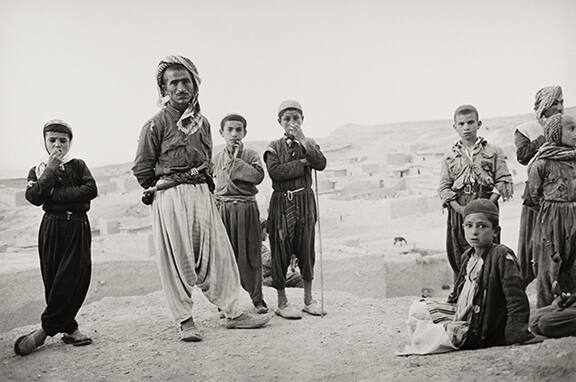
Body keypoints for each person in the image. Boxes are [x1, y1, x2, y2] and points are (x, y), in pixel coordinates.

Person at [132, 55, 271, 342]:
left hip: (201, 194)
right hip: (170, 197)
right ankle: (185, 320)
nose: (180, 88)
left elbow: (206, 162)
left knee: (219, 254)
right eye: (173, 83)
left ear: (195, 85)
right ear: (164, 89)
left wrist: (198, 186)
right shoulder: (155, 124)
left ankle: (233, 312)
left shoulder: (203, 123)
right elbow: (142, 169)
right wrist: (165, 188)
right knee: (178, 260)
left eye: (186, 81)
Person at [398, 199, 532, 355]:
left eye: (482, 226)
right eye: (469, 226)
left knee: (439, 333)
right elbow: (459, 293)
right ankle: (437, 332)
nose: (474, 232)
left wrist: (515, 334)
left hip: (480, 326)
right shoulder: (467, 256)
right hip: (461, 314)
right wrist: (445, 311)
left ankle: (438, 335)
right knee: (418, 309)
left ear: (495, 231)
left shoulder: (501, 255)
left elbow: (516, 299)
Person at [14, 120, 97, 356]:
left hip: (78, 227)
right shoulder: (39, 170)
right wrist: (50, 171)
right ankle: (70, 328)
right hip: (52, 228)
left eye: (63, 140)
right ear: (45, 142)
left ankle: (43, 332)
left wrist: (53, 195)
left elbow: (90, 191)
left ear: (70, 142)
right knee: (54, 279)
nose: (58, 145)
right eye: (52, 140)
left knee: (75, 278)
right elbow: (34, 196)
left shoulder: (78, 165)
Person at [263, 100, 327, 319]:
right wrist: (302, 163)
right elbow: (276, 172)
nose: (292, 122)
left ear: (302, 120)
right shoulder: (273, 146)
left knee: (306, 248)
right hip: (281, 203)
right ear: (279, 122)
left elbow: (320, 163)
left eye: (296, 118)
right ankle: (282, 302)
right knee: (280, 250)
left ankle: (309, 300)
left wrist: (304, 143)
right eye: (287, 118)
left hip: (305, 202)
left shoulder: (309, 143)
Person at [438, 105, 513, 278]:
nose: (466, 127)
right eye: (461, 123)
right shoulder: (449, 156)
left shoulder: (493, 151)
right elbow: (444, 187)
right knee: (459, 255)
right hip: (460, 209)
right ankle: (462, 296)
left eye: (470, 122)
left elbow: (503, 180)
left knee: (488, 254)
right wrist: (460, 209)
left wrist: (488, 204)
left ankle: (487, 296)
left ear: (478, 124)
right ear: (455, 127)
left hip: (486, 206)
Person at [213, 113, 268, 314]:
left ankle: (257, 298)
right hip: (224, 211)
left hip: (246, 209)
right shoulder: (216, 159)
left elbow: (258, 177)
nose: (234, 134)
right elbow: (211, 185)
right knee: (224, 257)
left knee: (252, 254)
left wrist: (236, 162)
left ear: (245, 132)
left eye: (239, 130)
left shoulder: (252, 155)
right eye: (230, 130)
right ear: (222, 133)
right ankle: (225, 301)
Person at [514, 86, 564, 289]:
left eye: (562, 102)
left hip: (561, 199)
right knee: (530, 249)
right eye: (555, 103)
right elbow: (523, 156)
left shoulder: (568, 127)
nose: (561, 107)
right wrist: (547, 136)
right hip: (535, 199)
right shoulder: (527, 129)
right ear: (544, 106)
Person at [526, 114, 576, 308]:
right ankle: (546, 308)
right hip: (551, 219)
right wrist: (553, 212)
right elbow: (534, 195)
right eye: (571, 129)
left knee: (573, 263)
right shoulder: (542, 163)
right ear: (555, 133)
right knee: (549, 264)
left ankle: (570, 309)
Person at [261, 220, 303, 288]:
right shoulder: (258, 247)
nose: (267, 233)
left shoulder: (259, 246)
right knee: (298, 278)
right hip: (267, 278)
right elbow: (270, 262)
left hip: (270, 276)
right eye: (265, 230)